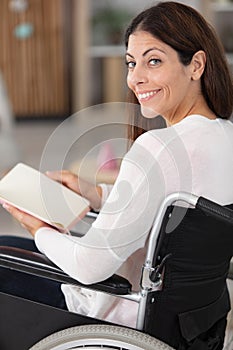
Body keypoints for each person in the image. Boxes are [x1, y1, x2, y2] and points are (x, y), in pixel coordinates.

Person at [1, 1, 233, 349]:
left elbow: (89, 267)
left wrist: (38, 229)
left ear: (196, 65)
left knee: (8, 253)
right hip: (191, 323)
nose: (136, 77)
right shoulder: (226, 136)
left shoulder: (158, 146)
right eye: (131, 62)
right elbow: (182, 211)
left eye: (153, 61)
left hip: (123, 317)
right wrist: (99, 195)